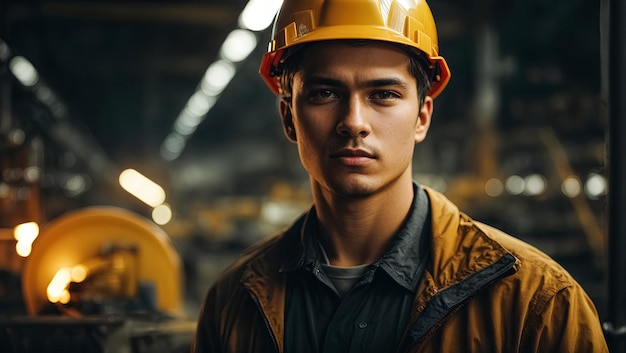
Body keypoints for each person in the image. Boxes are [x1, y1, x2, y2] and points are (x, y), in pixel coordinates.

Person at [191, 0, 609, 352]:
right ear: (289, 118)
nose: (354, 122)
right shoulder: (234, 301)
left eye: (383, 95)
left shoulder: (539, 304)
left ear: (422, 116)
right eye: (325, 93)